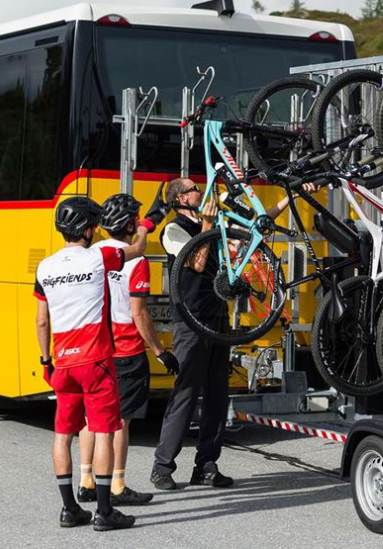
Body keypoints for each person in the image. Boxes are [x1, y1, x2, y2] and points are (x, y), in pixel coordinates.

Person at [150, 177, 309, 490]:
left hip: (218, 320)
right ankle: (162, 466)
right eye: (194, 188)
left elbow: (255, 227)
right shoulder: (172, 230)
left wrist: (292, 196)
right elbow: (196, 264)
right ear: (181, 198)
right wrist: (208, 223)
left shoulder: (216, 227)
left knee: (217, 398)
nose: (200, 191)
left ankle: (206, 465)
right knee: (185, 393)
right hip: (191, 322)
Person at [33, 195, 159, 531]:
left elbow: (42, 321)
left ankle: (69, 509)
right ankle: (104, 511)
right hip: (97, 362)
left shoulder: (45, 267)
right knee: (105, 429)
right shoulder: (99, 256)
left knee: (63, 434)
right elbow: (137, 250)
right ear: (89, 228)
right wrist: (145, 226)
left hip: (63, 363)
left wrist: (46, 360)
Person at [78, 194, 181, 507]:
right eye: (135, 220)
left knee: (90, 417)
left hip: (95, 347)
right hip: (126, 350)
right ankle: (118, 485)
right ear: (128, 224)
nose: (139, 224)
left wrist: (150, 221)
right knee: (121, 421)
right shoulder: (137, 261)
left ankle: (86, 480)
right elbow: (139, 314)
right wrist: (161, 351)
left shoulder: (93, 253)